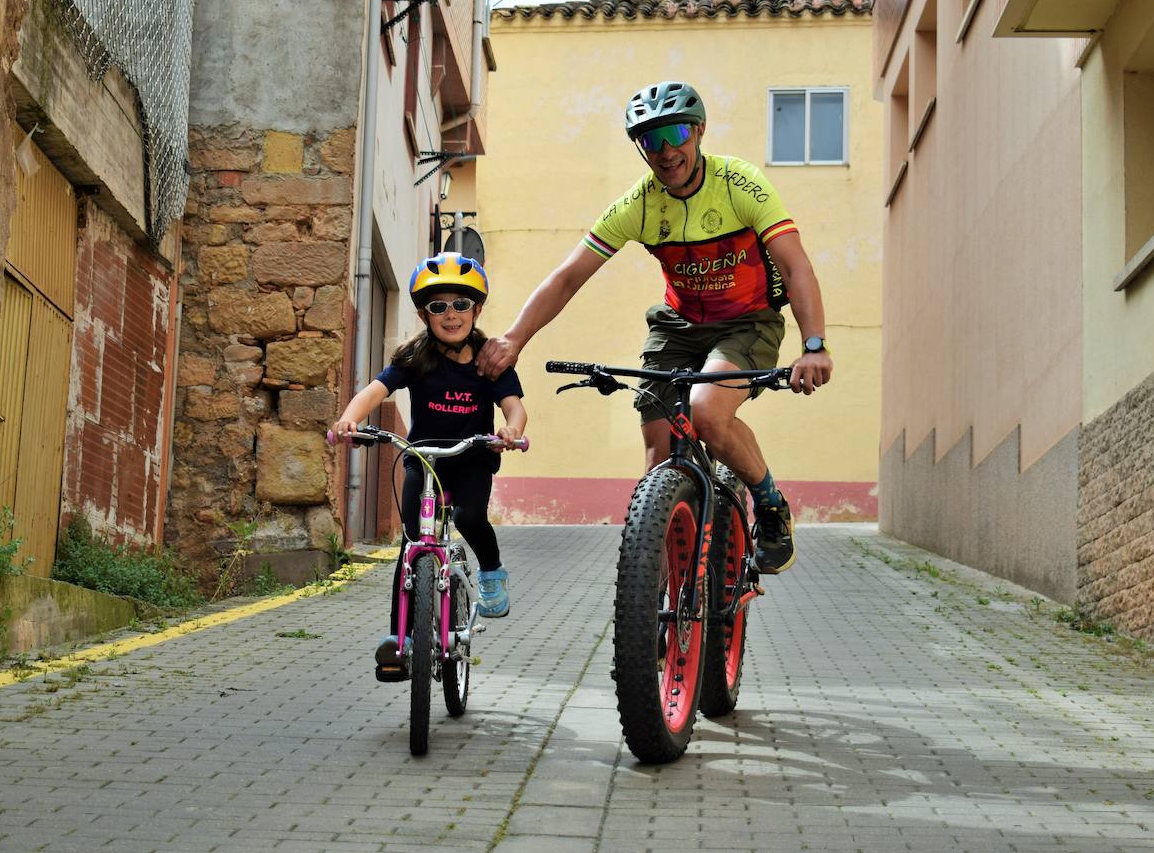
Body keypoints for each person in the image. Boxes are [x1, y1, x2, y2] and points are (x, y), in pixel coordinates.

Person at [475, 80, 833, 575]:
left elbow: (796, 268)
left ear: (699, 131)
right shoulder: (638, 205)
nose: (666, 151)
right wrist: (514, 337)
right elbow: (568, 276)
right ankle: (660, 597)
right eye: (650, 140)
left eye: (677, 133)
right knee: (658, 460)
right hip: (679, 324)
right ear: (640, 148)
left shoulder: (741, 184)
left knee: (708, 413)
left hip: (748, 320)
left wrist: (813, 345)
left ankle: (769, 504)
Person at [333, 252, 528, 675]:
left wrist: (510, 430)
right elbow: (375, 390)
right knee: (410, 544)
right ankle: (400, 642)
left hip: (472, 457)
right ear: (424, 314)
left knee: (471, 516)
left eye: (461, 304)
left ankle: (491, 570)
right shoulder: (416, 359)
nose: (451, 314)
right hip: (424, 459)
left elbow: (515, 408)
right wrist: (350, 418)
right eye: (438, 306)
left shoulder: (488, 362)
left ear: (476, 310)